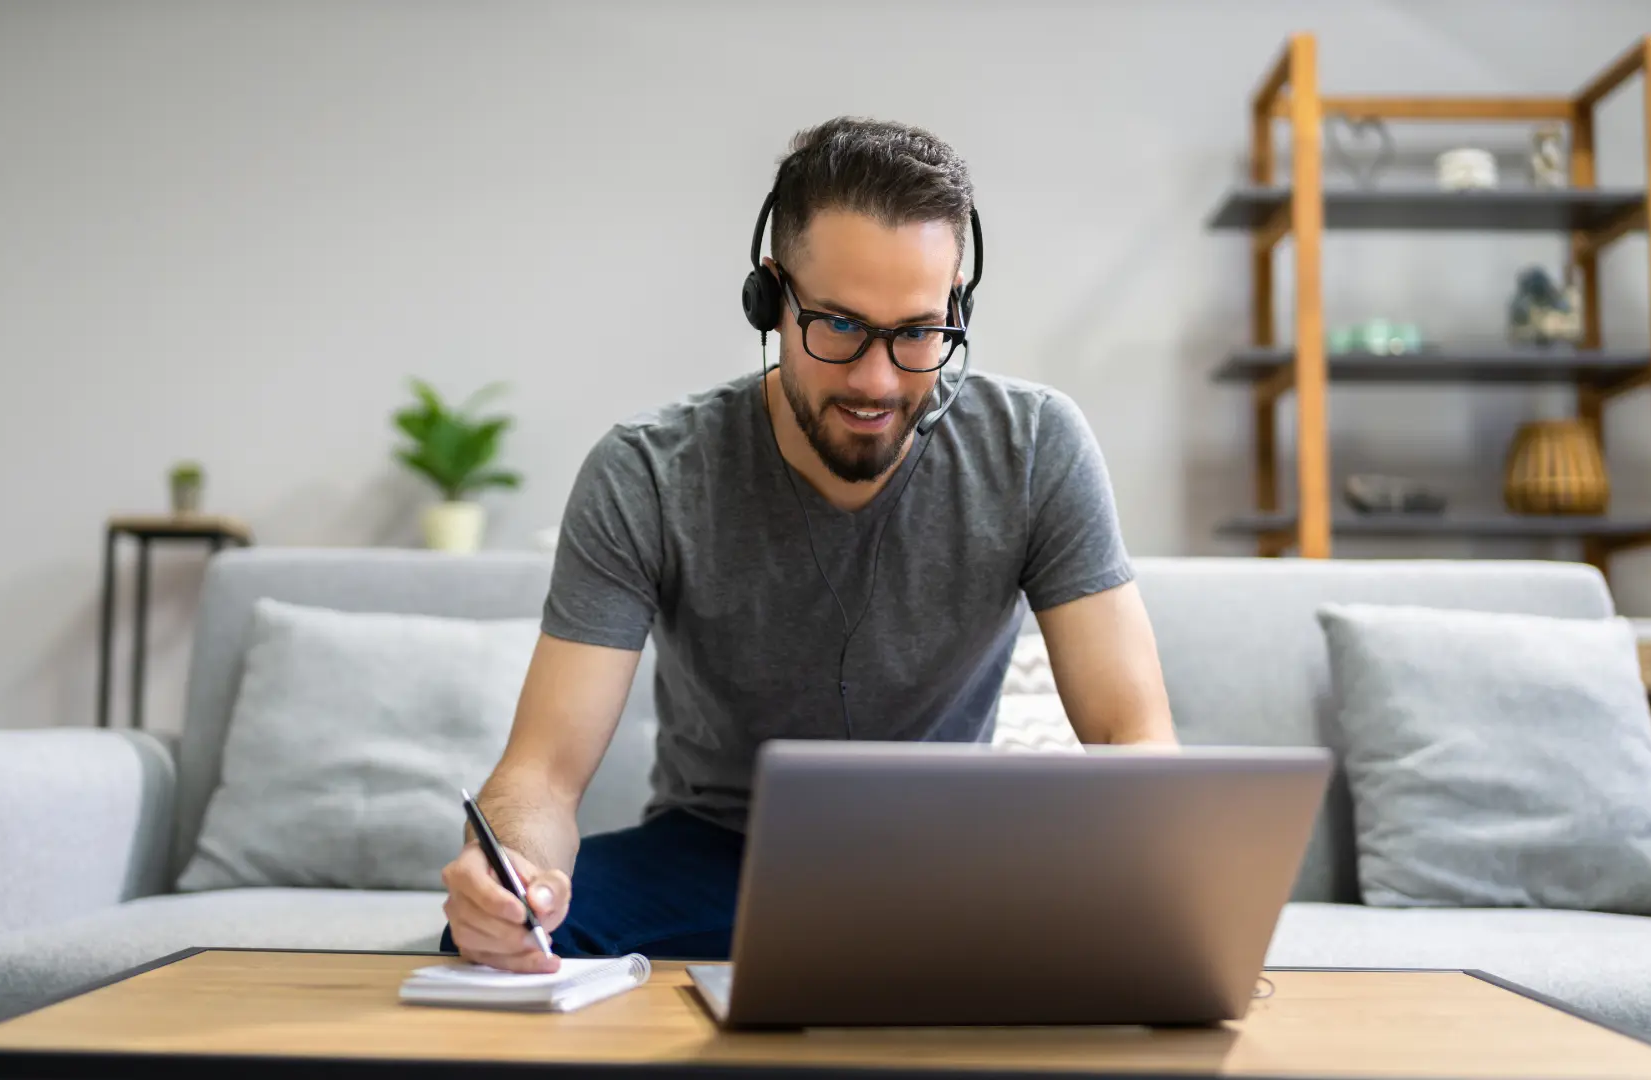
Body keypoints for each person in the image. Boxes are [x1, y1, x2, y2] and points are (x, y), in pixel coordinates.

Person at [440, 116, 1176, 973]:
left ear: (958, 308)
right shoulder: (646, 471)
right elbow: (542, 773)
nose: (876, 378)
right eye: (836, 325)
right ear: (769, 299)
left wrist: (1147, 889)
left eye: (917, 332)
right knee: (487, 946)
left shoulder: (1036, 445)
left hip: (955, 858)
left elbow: (1134, 737)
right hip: (716, 854)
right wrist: (514, 879)